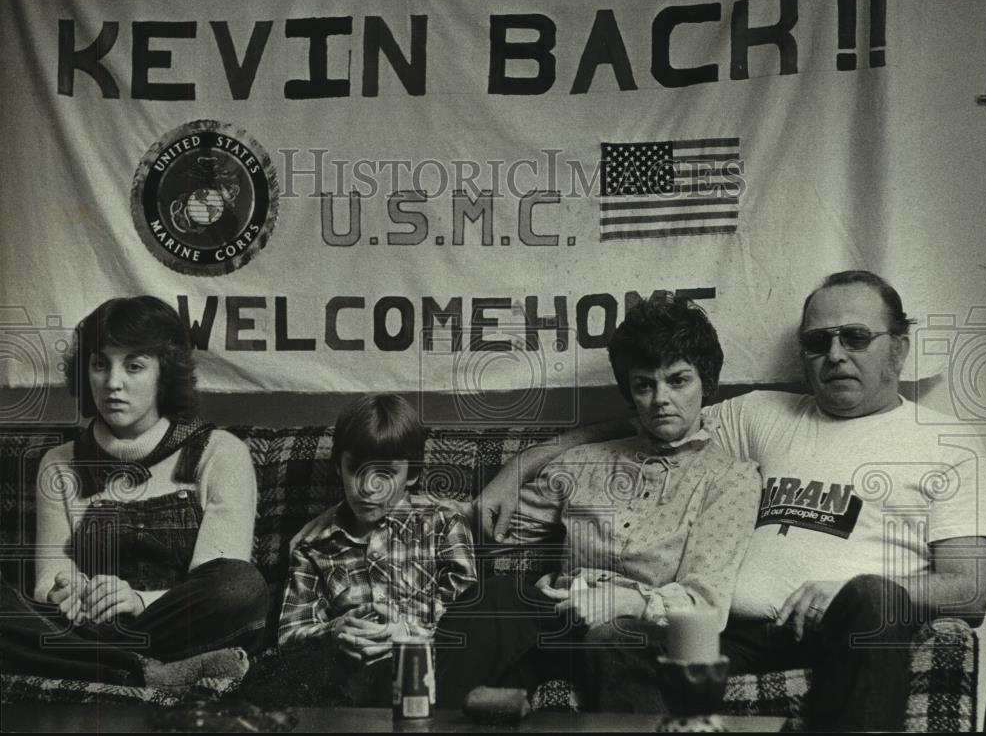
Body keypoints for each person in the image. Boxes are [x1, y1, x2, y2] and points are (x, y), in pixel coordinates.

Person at [476, 270, 986, 731]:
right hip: (735, 632)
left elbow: (970, 590)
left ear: (900, 346)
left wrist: (846, 592)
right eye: (819, 341)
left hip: (850, 626)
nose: (835, 354)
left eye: (856, 337)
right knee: (616, 637)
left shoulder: (943, 442)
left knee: (869, 599)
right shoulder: (764, 415)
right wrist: (528, 461)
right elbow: (657, 415)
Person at [435, 295, 761, 711]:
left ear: (706, 382)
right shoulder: (588, 461)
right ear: (630, 392)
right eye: (645, 385)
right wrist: (362, 511)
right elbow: (486, 526)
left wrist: (622, 602)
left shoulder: (731, 478)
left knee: (612, 639)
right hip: (562, 612)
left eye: (678, 381)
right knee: (493, 599)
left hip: (637, 630)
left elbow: (705, 603)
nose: (660, 398)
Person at [0, 296, 267, 686]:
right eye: (99, 364)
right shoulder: (59, 462)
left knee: (243, 586)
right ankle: (146, 672)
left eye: (134, 366)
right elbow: (49, 577)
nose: (112, 383)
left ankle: (97, 662)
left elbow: (219, 579)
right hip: (83, 622)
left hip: (175, 629)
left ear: (165, 375)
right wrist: (68, 591)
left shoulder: (220, 453)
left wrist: (138, 601)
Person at [240, 394, 478, 707]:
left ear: (413, 474)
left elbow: (466, 606)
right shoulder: (313, 546)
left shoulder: (442, 522)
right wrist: (335, 631)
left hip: (426, 658)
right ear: (339, 467)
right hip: (347, 668)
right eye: (355, 469)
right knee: (268, 679)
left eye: (386, 474)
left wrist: (406, 631)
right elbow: (290, 634)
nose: (368, 488)